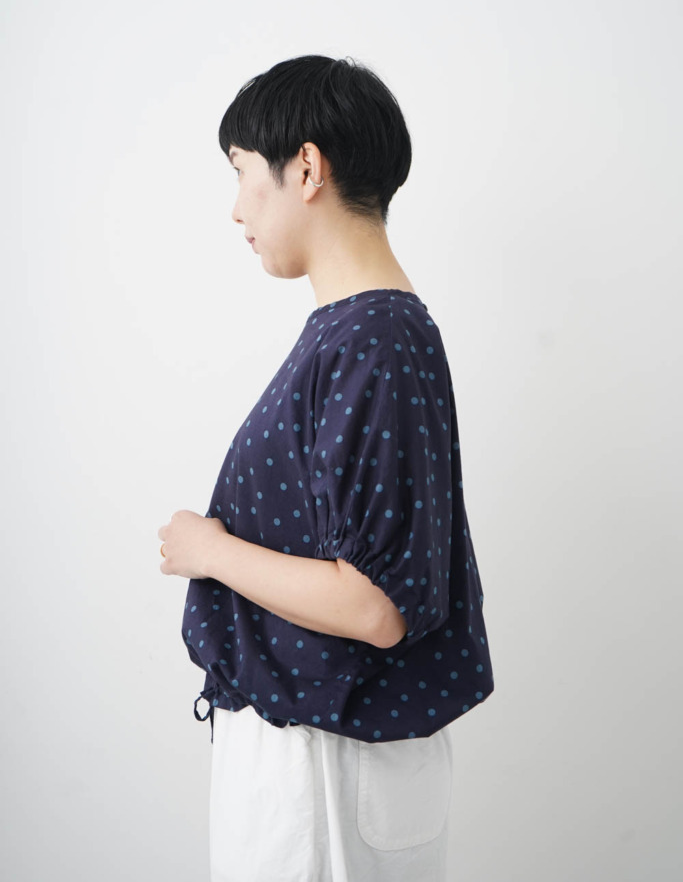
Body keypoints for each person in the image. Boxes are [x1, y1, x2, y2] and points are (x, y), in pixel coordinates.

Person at [159, 54, 494, 882]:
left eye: (242, 172)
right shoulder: (357, 334)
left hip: (325, 773)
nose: (236, 208)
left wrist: (209, 552)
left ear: (305, 168)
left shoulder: (375, 340)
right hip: (316, 760)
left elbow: (374, 605)